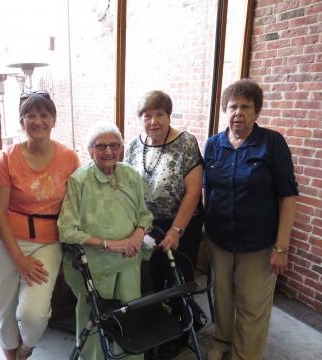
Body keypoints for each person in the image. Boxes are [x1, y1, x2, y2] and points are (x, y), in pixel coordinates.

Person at [204, 78, 298, 360]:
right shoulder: (213, 144)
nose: (239, 113)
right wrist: (206, 233)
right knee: (222, 298)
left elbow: (288, 197)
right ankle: (221, 341)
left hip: (258, 243)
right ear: (225, 110)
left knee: (252, 305)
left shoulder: (272, 143)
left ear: (257, 112)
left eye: (246, 107)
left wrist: (281, 247)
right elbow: (208, 189)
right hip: (220, 240)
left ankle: (245, 355)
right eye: (233, 106)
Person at [0, 90, 80, 360]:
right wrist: (18, 258)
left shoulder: (69, 158)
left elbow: (75, 205)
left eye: (44, 114)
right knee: (3, 308)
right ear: (21, 122)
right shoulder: (7, 157)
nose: (37, 120)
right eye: (30, 115)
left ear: (54, 120)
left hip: (47, 242)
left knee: (33, 313)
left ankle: (26, 347)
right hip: (5, 239)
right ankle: (10, 355)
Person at [58, 122, 153, 360]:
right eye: (100, 146)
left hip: (129, 258)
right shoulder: (79, 181)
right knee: (94, 316)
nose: (108, 151)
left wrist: (137, 235)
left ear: (121, 148)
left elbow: (145, 214)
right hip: (94, 264)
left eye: (114, 145)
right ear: (90, 150)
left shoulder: (130, 175)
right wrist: (109, 244)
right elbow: (67, 230)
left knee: (130, 312)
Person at [124, 90, 204, 358]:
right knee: (158, 277)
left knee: (178, 277)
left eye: (159, 114)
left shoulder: (186, 143)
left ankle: (181, 332)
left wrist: (176, 230)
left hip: (182, 222)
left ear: (169, 115)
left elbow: (193, 192)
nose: (153, 121)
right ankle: (162, 328)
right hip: (150, 224)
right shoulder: (135, 144)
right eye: (147, 115)